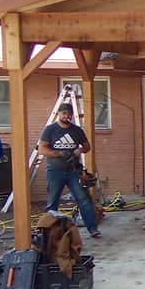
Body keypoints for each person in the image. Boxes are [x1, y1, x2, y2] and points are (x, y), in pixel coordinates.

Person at [37, 102, 101, 238]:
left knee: (84, 199)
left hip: (73, 171)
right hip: (55, 171)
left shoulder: (76, 130)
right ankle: (48, 232)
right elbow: (42, 149)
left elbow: (87, 146)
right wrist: (59, 153)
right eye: (64, 113)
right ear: (59, 114)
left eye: (69, 114)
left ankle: (92, 228)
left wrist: (80, 150)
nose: (67, 116)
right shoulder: (50, 130)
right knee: (52, 201)